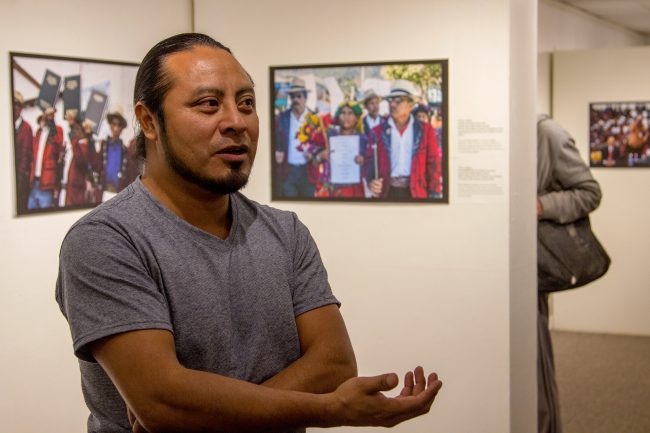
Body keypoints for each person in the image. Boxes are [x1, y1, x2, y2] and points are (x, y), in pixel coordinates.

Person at [56, 33, 442, 433]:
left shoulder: (285, 232)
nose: (237, 122)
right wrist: (328, 409)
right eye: (209, 104)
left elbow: (335, 363)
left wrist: (198, 411)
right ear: (150, 121)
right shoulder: (106, 240)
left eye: (246, 104)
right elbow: (164, 402)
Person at [536, 114, 602, 433]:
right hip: (485, 273)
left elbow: (589, 192)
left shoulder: (545, 133)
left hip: (528, 276)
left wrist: (541, 205)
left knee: (534, 379)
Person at [367, 80, 442, 200]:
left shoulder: (425, 130)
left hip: (416, 193)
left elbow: (433, 164)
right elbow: (369, 162)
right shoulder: (376, 132)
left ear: (411, 105)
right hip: (386, 193)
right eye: (390, 101)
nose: (392, 105)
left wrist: (434, 193)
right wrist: (371, 182)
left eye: (398, 101)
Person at [312, 100, 367, 198]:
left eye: (350, 113)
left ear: (356, 118)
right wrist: (320, 156)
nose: (346, 117)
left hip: (354, 190)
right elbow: (314, 162)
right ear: (338, 116)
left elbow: (369, 166)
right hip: (330, 190)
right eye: (343, 113)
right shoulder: (328, 135)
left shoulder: (363, 139)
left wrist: (363, 161)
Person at [274, 77, 317, 197]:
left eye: (299, 96)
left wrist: (314, 154)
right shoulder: (282, 117)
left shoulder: (314, 118)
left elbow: (320, 144)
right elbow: (276, 140)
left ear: (305, 98)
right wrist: (277, 151)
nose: (295, 100)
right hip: (288, 171)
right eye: (292, 97)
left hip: (308, 171)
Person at [94, 109, 138, 202]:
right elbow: (97, 166)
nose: (116, 128)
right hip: (103, 190)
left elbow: (128, 173)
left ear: (122, 128)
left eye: (119, 125)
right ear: (110, 126)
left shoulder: (124, 150)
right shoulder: (104, 146)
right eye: (114, 124)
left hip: (118, 192)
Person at [28, 107, 64, 209]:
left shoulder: (57, 131)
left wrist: (52, 123)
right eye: (46, 115)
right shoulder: (38, 133)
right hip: (34, 182)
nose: (46, 118)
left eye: (50, 115)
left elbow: (58, 147)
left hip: (47, 184)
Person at [13, 91, 33, 213]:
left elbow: (25, 157)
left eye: (16, 105)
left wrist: (18, 183)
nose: (14, 108)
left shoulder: (26, 128)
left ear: (20, 108)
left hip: (20, 183)